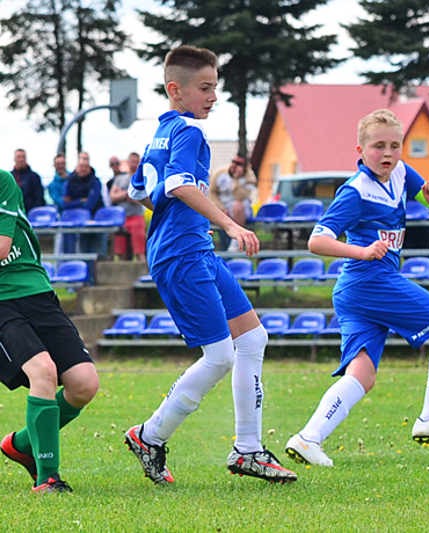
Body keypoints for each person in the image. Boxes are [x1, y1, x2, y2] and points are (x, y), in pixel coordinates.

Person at [124, 45, 296, 485]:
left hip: (193, 250)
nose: (213, 97)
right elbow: (180, 185)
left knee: (252, 338)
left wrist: (180, 217)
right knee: (219, 356)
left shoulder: (160, 133)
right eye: (205, 88)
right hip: (182, 254)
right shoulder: (189, 132)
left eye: (215, 87)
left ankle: (248, 449)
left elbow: (139, 191)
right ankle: (149, 436)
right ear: (175, 90)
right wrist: (230, 224)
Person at [284, 109, 429, 467]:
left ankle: (308, 438)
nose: (388, 153)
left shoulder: (402, 174)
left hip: (357, 291)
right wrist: (362, 251)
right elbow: (317, 241)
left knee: (363, 375)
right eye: (378, 146)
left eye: (395, 145)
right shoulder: (355, 191)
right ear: (360, 150)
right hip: (370, 281)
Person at [0, 168, 100, 493]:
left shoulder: (2, 180)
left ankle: (22, 444)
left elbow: (2, 247)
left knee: (84, 384)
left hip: (36, 291)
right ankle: (48, 478)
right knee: (43, 371)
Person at [209, 154, 257, 252]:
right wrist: (222, 208)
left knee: (238, 206)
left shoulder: (250, 178)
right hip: (222, 209)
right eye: (233, 162)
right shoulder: (220, 173)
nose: (234, 165)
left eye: (238, 163)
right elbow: (212, 193)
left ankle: (235, 242)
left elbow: (239, 196)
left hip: (240, 211)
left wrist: (236, 179)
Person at [63, 152, 105, 257]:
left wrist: (73, 202)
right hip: (79, 223)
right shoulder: (70, 181)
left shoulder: (95, 182)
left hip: (96, 220)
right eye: (81, 166)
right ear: (77, 167)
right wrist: (81, 201)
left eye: (86, 166)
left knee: (99, 255)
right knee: (84, 253)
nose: (84, 169)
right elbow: (65, 204)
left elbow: (90, 205)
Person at [109, 152, 146, 261]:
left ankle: (142, 267)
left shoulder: (142, 179)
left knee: (139, 251)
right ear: (128, 162)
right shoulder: (119, 179)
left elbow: (140, 199)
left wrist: (121, 193)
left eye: (136, 162)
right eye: (132, 161)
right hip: (122, 218)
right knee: (120, 251)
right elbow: (112, 196)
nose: (134, 164)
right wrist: (127, 194)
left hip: (136, 216)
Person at [47, 153, 69, 255]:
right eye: (58, 164)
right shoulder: (52, 185)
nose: (60, 166)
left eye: (62, 163)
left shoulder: (74, 179)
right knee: (61, 249)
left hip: (76, 217)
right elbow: (61, 203)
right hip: (62, 218)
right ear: (54, 165)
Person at [10, 148, 45, 214]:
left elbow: (39, 198)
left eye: (23, 157)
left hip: (30, 213)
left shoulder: (34, 177)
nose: (21, 159)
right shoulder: (9, 177)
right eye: (18, 157)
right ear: (14, 159)